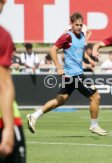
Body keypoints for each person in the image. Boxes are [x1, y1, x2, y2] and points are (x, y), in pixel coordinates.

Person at [26, 12, 108, 136]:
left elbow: (80, 50)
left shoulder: (82, 34)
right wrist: (58, 67)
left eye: (81, 25)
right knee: (95, 97)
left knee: (60, 100)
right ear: (71, 24)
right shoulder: (67, 36)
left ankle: (34, 115)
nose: (79, 27)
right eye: (77, 25)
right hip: (74, 75)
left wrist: (89, 59)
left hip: (73, 75)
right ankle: (94, 125)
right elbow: (53, 49)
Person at [0, 0, 26, 162]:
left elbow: (4, 85)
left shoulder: (3, 37)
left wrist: (8, 128)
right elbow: (5, 85)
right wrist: (9, 128)